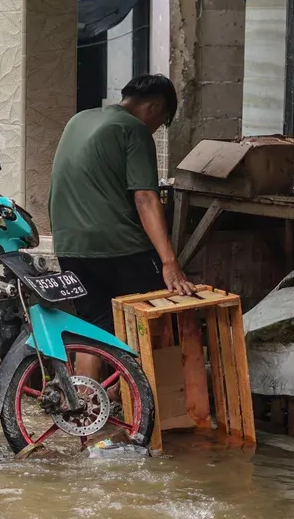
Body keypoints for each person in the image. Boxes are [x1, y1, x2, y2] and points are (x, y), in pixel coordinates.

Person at [48, 74, 196, 381]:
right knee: (156, 315)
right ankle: (149, 394)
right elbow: (145, 198)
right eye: (162, 122)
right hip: (116, 244)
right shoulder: (134, 129)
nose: (156, 128)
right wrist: (170, 262)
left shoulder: (78, 120)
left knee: (93, 324)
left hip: (69, 244)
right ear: (155, 108)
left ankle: (88, 398)